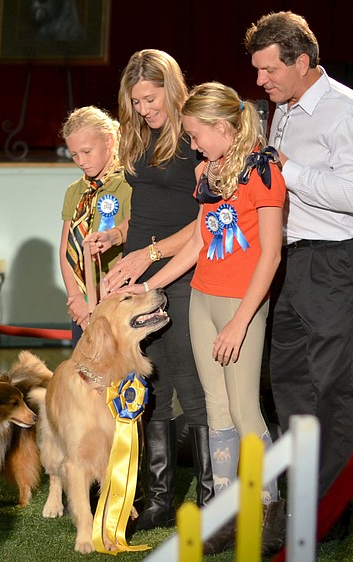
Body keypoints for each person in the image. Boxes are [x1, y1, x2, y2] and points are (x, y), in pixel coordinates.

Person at [119, 81, 286, 555]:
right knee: (215, 411)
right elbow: (198, 241)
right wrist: (149, 285)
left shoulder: (264, 171)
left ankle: (270, 511)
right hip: (202, 298)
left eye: (196, 135)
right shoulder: (207, 172)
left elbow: (271, 255)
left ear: (222, 126)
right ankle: (226, 515)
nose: (192, 144)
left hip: (240, 304)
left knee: (244, 408)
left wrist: (240, 321)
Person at [244, 12, 353, 500]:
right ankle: (303, 497)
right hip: (290, 262)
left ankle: (331, 509)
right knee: (289, 381)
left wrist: (289, 168)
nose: (261, 81)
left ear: (301, 62)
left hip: (334, 263)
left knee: (331, 388)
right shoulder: (283, 109)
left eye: (269, 70)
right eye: (258, 70)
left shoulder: (347, 110)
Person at [98, 49, 213, 532]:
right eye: (136, 102)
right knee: (152, 387)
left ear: (172, 87)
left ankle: (210, 502)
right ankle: (160, 501)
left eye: (150, 98)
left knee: (193, 386)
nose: (144, 109)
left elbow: (203, 223)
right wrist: (119, 235)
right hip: (138, 277)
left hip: (182, 274)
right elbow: (148, 206)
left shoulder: (193, 137)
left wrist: (148, 255)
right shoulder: (137, 135)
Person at [58, 106, 131, 345]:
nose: (81, 161)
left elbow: (134, 242)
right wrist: (77, 298)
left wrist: (96, 298)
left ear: (109, 140)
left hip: (118, 300)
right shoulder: (74, 191)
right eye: (74, 155)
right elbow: (66, 250)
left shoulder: (129, 184)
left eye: (87, 152)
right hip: (82, 305)